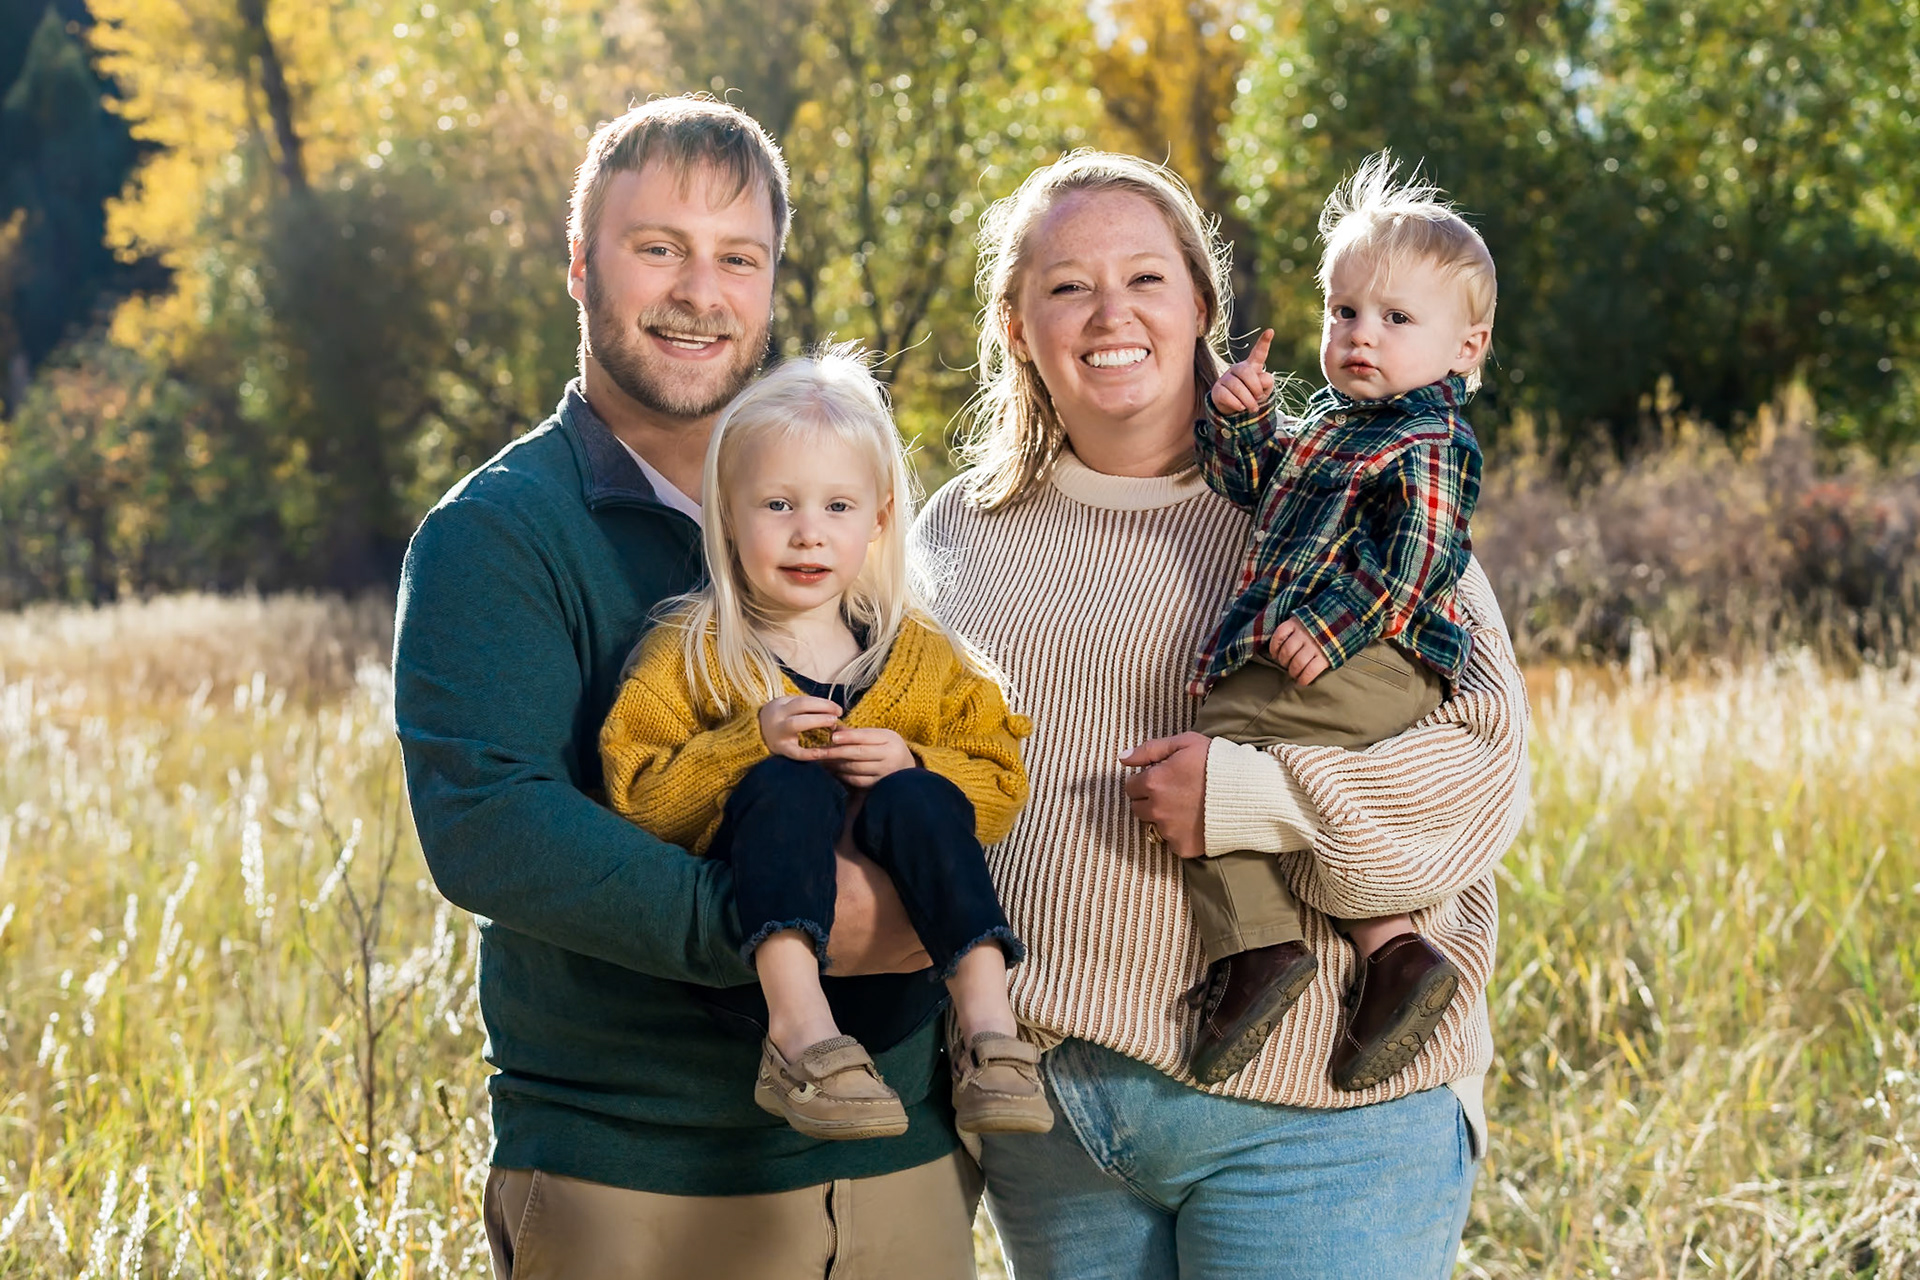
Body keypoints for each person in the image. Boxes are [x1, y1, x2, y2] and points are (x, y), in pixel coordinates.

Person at [392, 97, 982, 1280]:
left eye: (737, 257)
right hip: (637, 1171)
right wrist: (794, 920)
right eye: (658, 247)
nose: (698, 292)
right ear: (580, 264)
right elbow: (491, 825)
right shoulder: (497, 534)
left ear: (770, 282)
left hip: (899, 1163)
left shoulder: (848, 511)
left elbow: (955, 744)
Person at [912, 150, 1529, 1278]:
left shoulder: (1334, 487)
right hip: (1056, 1122)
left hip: (1322, 1119)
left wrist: (1257, 797)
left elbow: (1484, 771)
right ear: (1015, 326)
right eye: (1067, 286)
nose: (1112, 313)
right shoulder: (953, 532)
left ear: (1203, 304)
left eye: (1147, 278)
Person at [598, 349, 1053, 1142]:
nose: (808, 533)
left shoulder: (919, 654)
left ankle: (989, 1031)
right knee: (788, 782)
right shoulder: (695, 651)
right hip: (751, 984)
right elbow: (636, 795)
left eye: (838, 506)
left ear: (878, 519)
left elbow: (1000, 781)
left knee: (920, 791)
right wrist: (746, 744)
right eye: (778, 505)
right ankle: (798, 1036)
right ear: (726, 514)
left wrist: (916, 761)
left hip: (900, 990)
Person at [1180, 151, 1495, 1091]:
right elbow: (1250, 488)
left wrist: (1333, 629)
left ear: (1466, 348)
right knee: (1254, 765)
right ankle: (1393, 954)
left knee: (1215, 761)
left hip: (1381, 656)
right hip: (1352, 656)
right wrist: (1242, 421)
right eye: (1344, 312)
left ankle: (1260, 949)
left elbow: (1420, 561)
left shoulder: (1430, 436)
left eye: (1397, 319)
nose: (1362, 335)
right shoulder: (1327, 428)